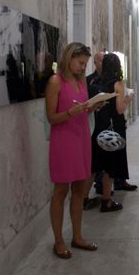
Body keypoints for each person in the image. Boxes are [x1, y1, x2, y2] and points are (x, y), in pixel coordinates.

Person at [45, 42, 99, 259]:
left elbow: (82, 112)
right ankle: (58, 241)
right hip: (64, 142)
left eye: (85, 64)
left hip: (82, 138)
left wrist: (91, 108)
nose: (83, 67)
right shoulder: (55, 82)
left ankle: (77, 236)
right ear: (69, 59)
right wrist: (71, 111)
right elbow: (51, 117)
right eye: (80, 63)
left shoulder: (81, 81)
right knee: (60, 191)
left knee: (79, 189)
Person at [86, 52, 138, 201]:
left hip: (98, 125)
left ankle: (84, 199)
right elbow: (120, 109)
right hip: (114, 125)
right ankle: (106, 201)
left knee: (95, 165)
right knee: (110, 164)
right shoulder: (117, 84)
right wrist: (127, 99)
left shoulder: (95, 83)